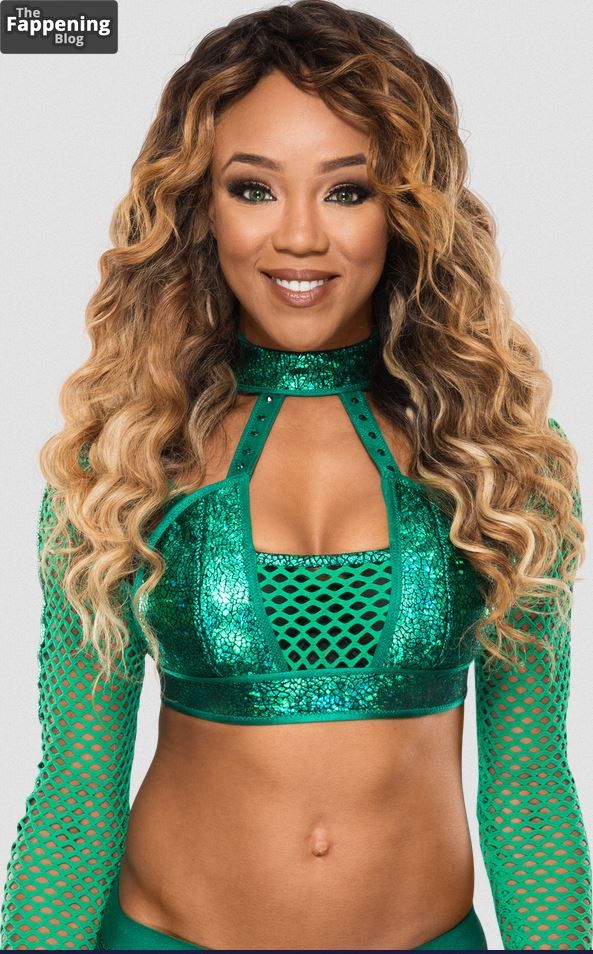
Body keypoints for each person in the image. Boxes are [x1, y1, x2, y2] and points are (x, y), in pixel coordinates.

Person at [1, 0, 591, 950]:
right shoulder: (123, 457)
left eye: (347, 191)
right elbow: (76, 799)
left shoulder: (497, 454)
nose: (301, 238)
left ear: (406, 210)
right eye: (255, 188)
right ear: (201, 206)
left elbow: (528, 794)